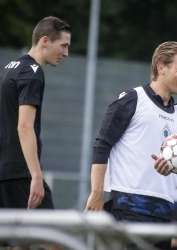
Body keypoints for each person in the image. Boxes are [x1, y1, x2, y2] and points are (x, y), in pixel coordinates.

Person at [85, 41, 177, 250]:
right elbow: (102, 145)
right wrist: (97, 193)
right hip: (127, 208)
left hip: (164, 215)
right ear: (161, 67)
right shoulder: (132, 99)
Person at [0, 16, 71, 249]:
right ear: (45, 41)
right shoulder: (32, 73)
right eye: (63, 46)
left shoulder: (11, 67)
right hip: (20, 172)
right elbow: (24, 126)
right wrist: (36, 177)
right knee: (56, 241)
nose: (66, 53)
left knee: (18, 243)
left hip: (5, 170)